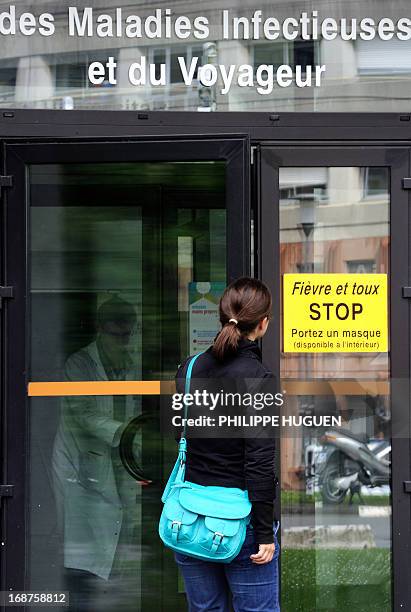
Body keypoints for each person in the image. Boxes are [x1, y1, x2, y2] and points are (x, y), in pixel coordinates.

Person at [174, 277, 280, 612]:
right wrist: (265, 532)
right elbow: (259, 462)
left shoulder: (189, 370)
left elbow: (184, 436)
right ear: (262, 324)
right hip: (241, 522)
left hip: (189, 516)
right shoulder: (259, 379)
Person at [51, 296, 142, 610]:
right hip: (80, 464)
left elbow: (133, 408)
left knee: (111, 547)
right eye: (117, 334)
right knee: (83, 553)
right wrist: (126, 433)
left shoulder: (128, 365)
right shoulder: (79, 364)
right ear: (101, 329)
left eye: (127, 334)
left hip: (116, 462)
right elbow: (84, 413)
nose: (124, 340)